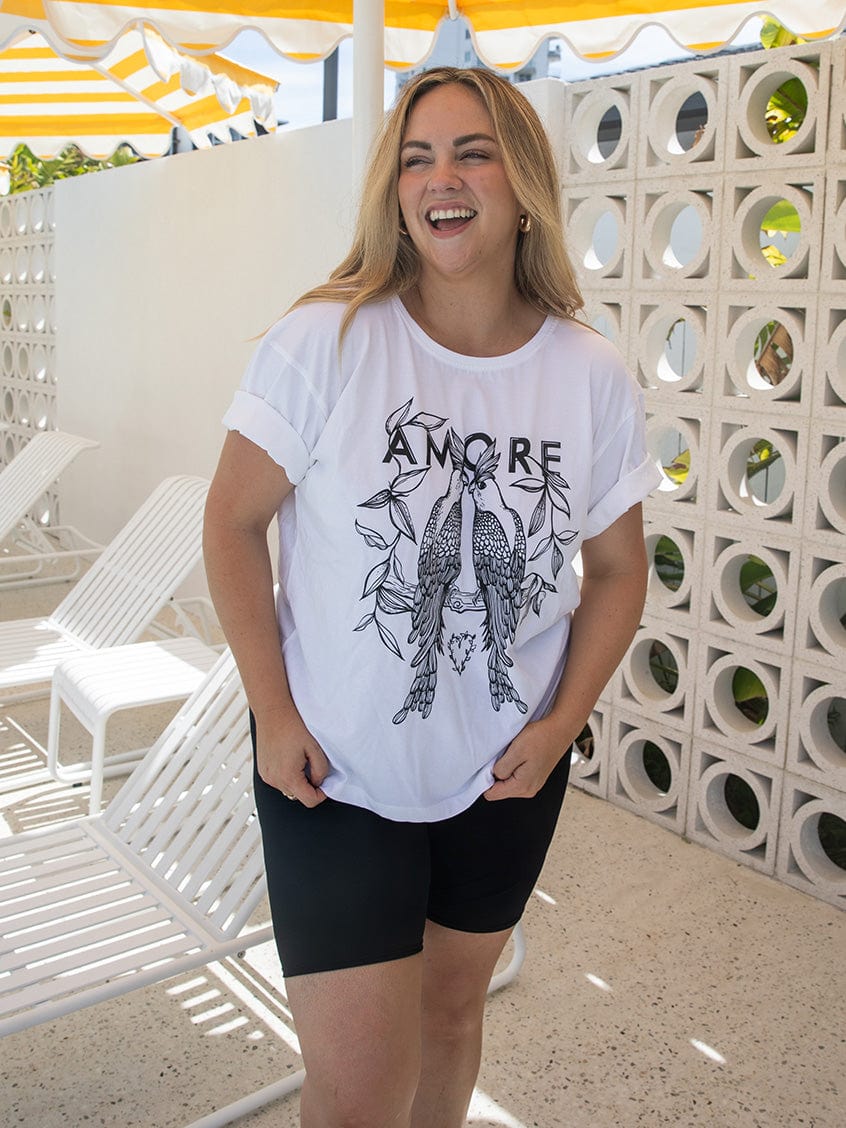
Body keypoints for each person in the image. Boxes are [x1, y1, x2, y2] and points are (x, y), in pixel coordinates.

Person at [204, 65, 660, 1128]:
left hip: (505, 775)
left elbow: (618, 571)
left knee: (454, 1018)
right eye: (416, 157)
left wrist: (560, 729)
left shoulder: (588, 374)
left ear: (524, 182)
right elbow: (231, 524)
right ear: (393, 189)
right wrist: (272, 713)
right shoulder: (327, 341)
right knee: (359, 1085)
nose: (439, 178)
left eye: (471, 151)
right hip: (335, 774)